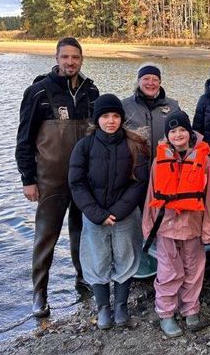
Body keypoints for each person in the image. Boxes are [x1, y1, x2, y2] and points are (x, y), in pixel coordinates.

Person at [15, 37, 99, 318]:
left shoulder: (92, 91)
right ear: (56, 58)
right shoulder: (38, 92)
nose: (70, 62)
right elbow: (24, 139)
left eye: (75, 57)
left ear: (82, 59)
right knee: (45, 236)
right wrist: (28, 178)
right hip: (50, 178)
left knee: (82, 232)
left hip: (83, 179)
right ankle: (40, 293)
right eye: (65, 57)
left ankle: (82, 277)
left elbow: (100, 134)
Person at [68, 94, 149, 329]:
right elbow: (77, 182)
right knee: (97, 259)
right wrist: (97, 213)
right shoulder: (84, 146)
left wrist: (118, 211)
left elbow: (139, 182)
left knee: (126, 257)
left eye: (115, 116)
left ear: (121, 119)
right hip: (95, 217)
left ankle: (121, 305)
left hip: (124, 215)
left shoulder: (134, 144)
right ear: (97, 119)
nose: (111, 121)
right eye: (105, 116)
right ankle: (103, 307)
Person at [142, 111, 210, 337]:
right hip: (166, 227)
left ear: (190, 133)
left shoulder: (204, 161)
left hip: (193, 227)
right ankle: (166, 313)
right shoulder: (159, 161)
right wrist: (148, 226)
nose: (178, 135)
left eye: (182, 130)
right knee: (168, 271)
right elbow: (150, 196)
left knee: (194, 270)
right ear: (168, 135)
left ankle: (191, 310)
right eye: (173, 131)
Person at [121, 63, 181, 161]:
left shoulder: (173, 106)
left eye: (155, 79)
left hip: (164, 165)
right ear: (138, 81)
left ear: (160, 82)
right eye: (146, 78)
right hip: (134, 168)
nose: (150, 83)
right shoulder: (124, 106)